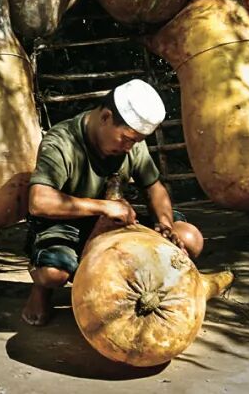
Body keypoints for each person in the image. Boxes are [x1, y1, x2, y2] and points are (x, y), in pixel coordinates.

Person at [20, 78, 204, 326]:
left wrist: (165, 225)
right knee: (53, 273)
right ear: (105, 117)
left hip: (116, 226)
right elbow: (39, 202)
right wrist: (104, 206)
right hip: (68, 227)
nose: (130, 148)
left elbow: (154, 188)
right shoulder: (62, 142)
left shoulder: (130, 145)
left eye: (136, 142)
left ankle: (146, 292)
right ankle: (41, 290)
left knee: (189, 238)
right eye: (127, 139)